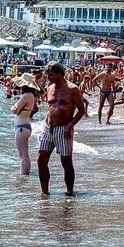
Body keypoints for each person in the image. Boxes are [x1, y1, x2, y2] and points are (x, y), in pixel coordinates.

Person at [38, 62, 86, 198]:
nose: (48, 77)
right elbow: (50, 108)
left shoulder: (72, 89)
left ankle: (69, 191)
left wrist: (70, 126)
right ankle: (44, 192)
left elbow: (81, 110)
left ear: (58, 74)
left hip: (64, 128)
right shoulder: (50, 88)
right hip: (48, 127)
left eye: (50, 74)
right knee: (41, 160)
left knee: (66, 162)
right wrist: (45, 123)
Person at [10, 73, 40, 176]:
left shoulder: (26, 96)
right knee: (26, 155)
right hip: (26, 126)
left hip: (21, 127)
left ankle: (23, 178)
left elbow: (15, 110)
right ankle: (27, 175)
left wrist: (13, 107)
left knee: (22, 156)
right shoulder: (31, 96)